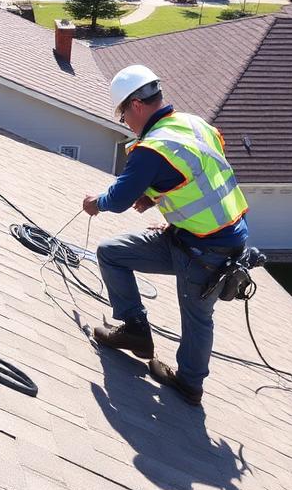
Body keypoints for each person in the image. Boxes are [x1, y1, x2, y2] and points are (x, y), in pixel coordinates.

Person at [82, 64, 249, 406]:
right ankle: (136, 332)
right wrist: (159, 198)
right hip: (192, 236)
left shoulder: (153, 148)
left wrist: (95, 204)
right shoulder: (194, 124)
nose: (126, 123)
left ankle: (189, 384)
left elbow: (119, 199)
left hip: (208, 251)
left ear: (136, 106)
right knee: (111, 252)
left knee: (197, 316)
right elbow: (199, 174)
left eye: (123, 115)